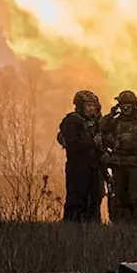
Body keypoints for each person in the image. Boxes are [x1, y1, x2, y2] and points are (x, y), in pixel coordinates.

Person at [99, 90, 137, 222]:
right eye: (123, 104)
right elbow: (101, 127)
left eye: (129, 104)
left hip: (135, 165)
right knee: (120, 198)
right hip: (118, 164)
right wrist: (111, 114)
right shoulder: (114, 122)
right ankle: (122, 226)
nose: (126, 108)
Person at [57, 90, 105, 223]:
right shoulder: (71, 121)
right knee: (76, 200)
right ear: (80, 106)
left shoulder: (98, 122)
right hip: (78, 167)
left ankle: (93, 229)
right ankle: (72, 229)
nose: (92, 108)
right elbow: (72, 144)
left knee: (96, 199)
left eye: (93, 105)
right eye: (88, 105)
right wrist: (92, 142)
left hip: (95, 166)